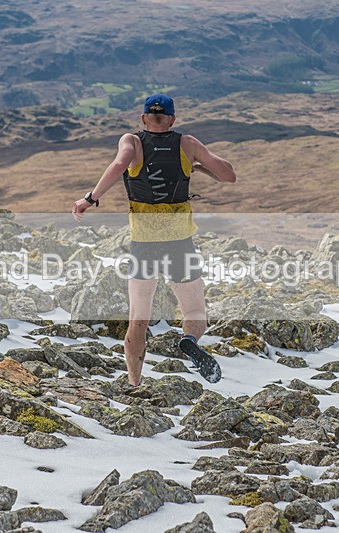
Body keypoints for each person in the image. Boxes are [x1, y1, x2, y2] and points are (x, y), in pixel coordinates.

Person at [72, 94, 237, 386]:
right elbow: (228, 176)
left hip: (144, 244)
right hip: (180, 242)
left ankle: (134, 382)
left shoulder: (132, 142)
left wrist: (90, 199)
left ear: (143, 118)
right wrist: (198, 165)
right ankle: (188, 340)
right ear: (172, 119)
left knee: (139, 318)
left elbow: (119, 164)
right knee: (196, 312)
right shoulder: (187, 143)